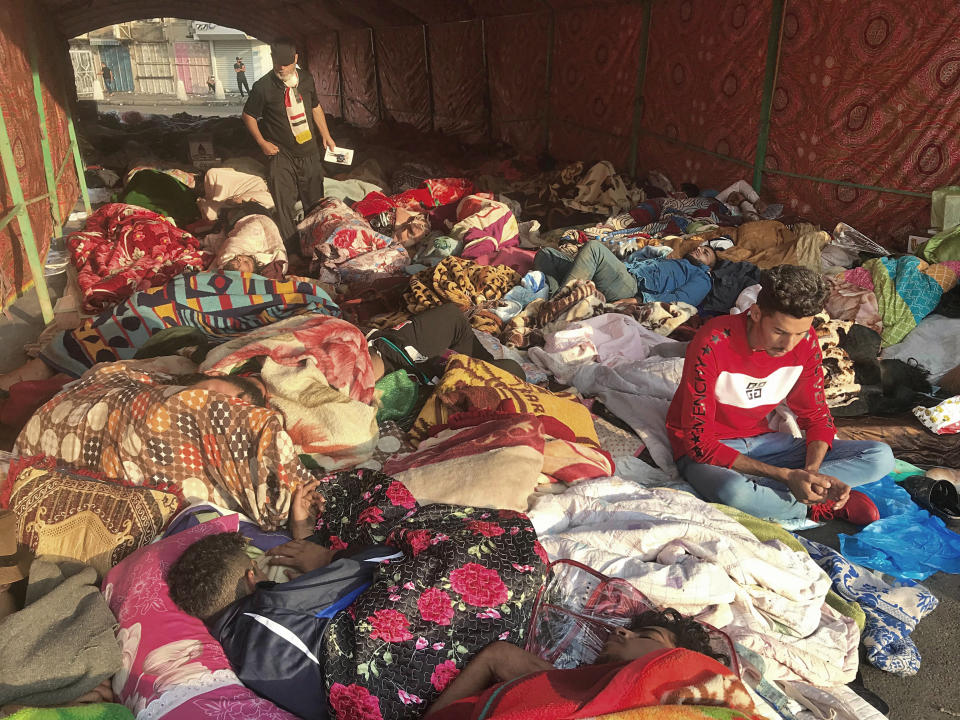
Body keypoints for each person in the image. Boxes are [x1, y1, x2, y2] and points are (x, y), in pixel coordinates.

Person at [666, 265, 894, 525]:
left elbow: (817, 417)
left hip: (765, 442)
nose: (788, 345)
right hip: (711, 449)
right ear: (755, 313)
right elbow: (699, 443)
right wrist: (786, 477)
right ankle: (813, 507)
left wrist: (810, 473)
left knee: (880, 457)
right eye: (779, 331)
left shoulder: (806, 342)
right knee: (733, 492)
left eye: (799, 333)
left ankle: (797, 493)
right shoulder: (715, 341)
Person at [425, 608, 729, 717]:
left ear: (676, 660)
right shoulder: (559, 684)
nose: (620, 631)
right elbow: (499, 655)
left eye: (646, 636)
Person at [242, 38, 336, 254]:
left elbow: (315, 107)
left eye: (286, 62)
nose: (282, 67)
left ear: (295, 58)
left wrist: (326, 135)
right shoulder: (262, 87)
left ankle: (314, 248)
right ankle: (291, 252)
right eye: (277, 62)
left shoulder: (306, 79)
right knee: (284, 206)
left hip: (309, 152)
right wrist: (262, 143)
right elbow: (248, 116)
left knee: (314, 203)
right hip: (281, 155)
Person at [366, 303, 525, 382]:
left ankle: (470, 367)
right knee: (512, 372)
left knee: (453, 316)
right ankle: (466, 371)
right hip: (386, 362)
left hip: (381, 355)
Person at [534, 239, 714, 306]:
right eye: (700, 247)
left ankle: (558, 304)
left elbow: (683, 299)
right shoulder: (673, 259)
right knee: (545, 254)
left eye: (705, 253)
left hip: (631, 287)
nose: (699, 249)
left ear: (710, 267)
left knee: (594, 248)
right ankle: (557, 295)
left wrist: (640, 300)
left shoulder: (703, 277)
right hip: (621, 273)